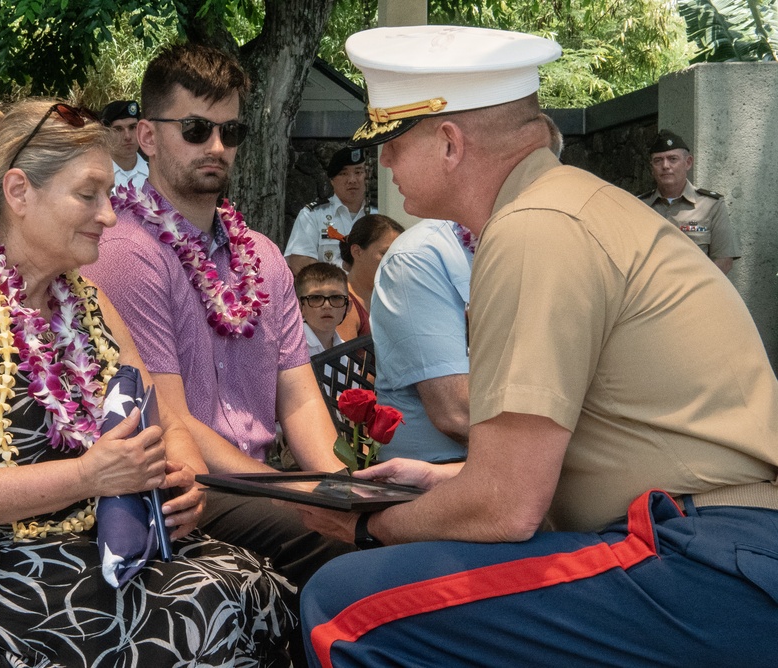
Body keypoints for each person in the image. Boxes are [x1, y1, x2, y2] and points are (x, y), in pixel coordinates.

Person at [293, 25, 778, 668]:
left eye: (390, 140)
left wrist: (365, 522)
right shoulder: (568, 207)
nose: (381, 162)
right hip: (715, 547)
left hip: (704, 562)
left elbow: (507, 506)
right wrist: (437, 481)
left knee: (346, 605)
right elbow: (541, 465)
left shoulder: (535, 228)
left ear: (447, 142)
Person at [0, 99, 295, 667]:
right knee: (202, 608)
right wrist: (88, 474)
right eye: (89, 195)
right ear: (19, 192)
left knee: (255, 583)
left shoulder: (86, 301)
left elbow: (158, 418)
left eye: (109, 195)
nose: (109, 215)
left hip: (70, 540)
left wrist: (184, 477)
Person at [84, 42, 352, 597]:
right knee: (343, 540)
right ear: (148, 137)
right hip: (185, 486)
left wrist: (344, 485)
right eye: (196, 129)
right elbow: (171, 417)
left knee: (380, 523)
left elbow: (299, 399)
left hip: (261, 481)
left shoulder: (262, 255)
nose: (216, 146)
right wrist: (293, 492)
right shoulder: (126, 251)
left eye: (231, 133)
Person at [368, 217, 471, 463]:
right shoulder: (417, 256)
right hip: (436, 471)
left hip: (516, 461)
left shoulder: (516, 245)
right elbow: (457, 416)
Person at [641, 129, 740, 275]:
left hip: (695, 294)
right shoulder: (639, 206)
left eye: (672, 159)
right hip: (651, 295)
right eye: (658, 160)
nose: (665, 166)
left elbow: (723, 261)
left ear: (688, 163)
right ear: (652, 168)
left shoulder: (711, 205)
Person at [285, 147, 377, 275]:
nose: (352, 180)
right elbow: (300, 262)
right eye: (343, 174)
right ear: (332, 180)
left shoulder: (378, 215)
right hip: (329, 293)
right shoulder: (313, 215)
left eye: (358, 172)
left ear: (368, 175)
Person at [335, 214, 403, 342]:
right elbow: (344, 361)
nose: (393, 262)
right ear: (357, 251)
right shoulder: (342, 305)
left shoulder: (391, 297)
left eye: (397, 255)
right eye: (385, 253)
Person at [295, 263, 350, 356]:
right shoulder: (291, 349)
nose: (327, 305)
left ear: (348, 307)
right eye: (316, 298)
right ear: (300, 306)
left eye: (336, 297)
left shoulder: (348, 353)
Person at [100, 99, 149, 191]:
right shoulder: (97, 175)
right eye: (118, 129)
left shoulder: (155, 175)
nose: (127, 136)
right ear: (105, 133)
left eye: (132, 127)